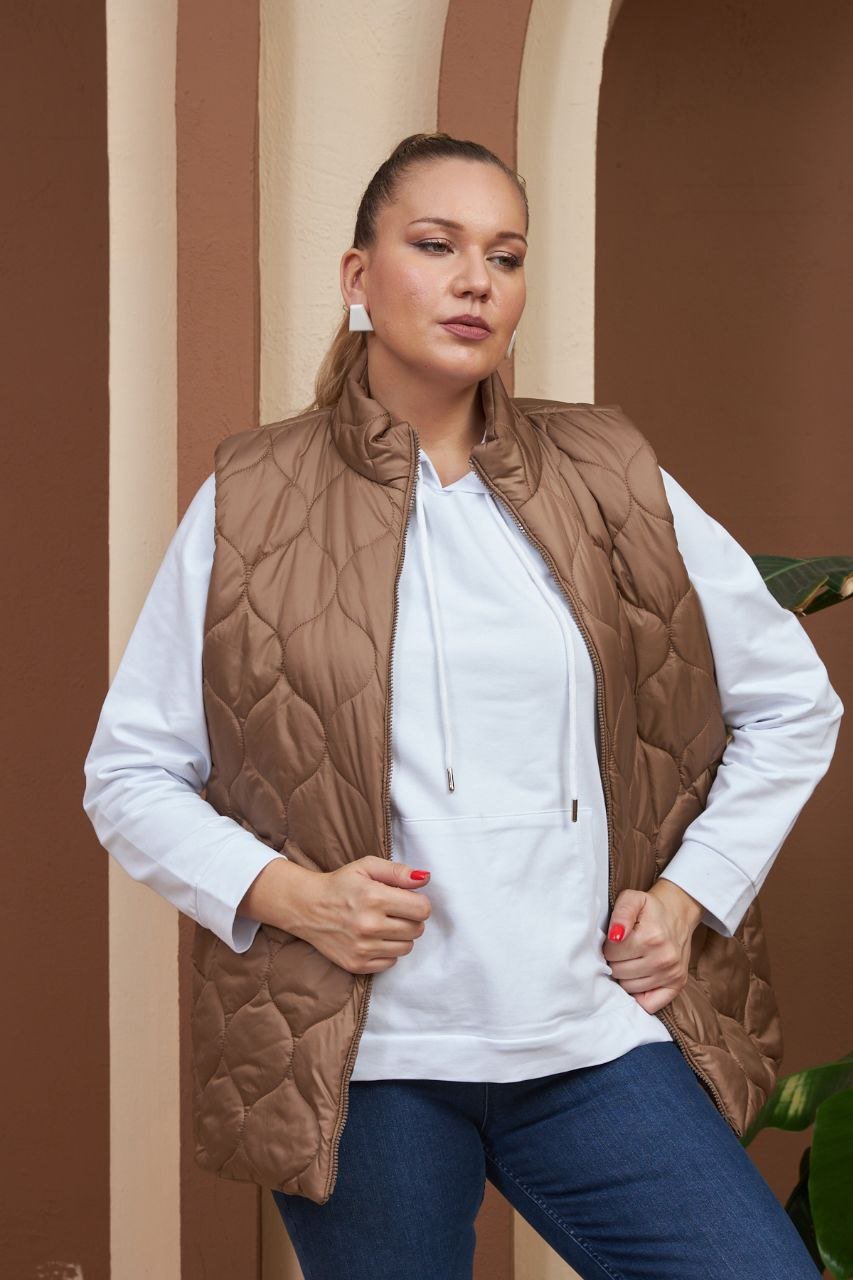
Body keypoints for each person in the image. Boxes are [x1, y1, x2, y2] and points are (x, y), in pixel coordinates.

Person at [82, 133, 842, 1279]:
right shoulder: (254, 495)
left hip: (589, 1036)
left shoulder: (611, 471)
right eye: (436, 245)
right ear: (358, 276)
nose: (475, 279)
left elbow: (790, 699)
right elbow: (129, 772)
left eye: (505, 254)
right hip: (367, 1061)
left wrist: (689, 895)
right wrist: (299, 898)